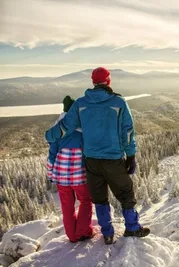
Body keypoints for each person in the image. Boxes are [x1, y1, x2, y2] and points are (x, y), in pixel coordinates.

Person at [45, 67, 150, 245]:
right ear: (108, 81)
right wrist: (130, 155)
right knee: (125, 193)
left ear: (93, 82)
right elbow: (128, 132)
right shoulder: (118, 102)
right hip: (113, 159)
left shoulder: (81, 103)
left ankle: (107, 234)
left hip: (91, 161)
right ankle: (132, 227)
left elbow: (66, 126)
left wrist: (49, 136)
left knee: (99, 197)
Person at [46, 96, 93, 243]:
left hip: (61, 173)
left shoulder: (58, 130)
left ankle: (72, 236)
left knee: (67, 206)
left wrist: (50, 173)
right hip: (79, 174)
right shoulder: (83, 128)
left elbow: (52, 154)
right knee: (85, 200)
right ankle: (83, 232)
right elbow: (89, 151)